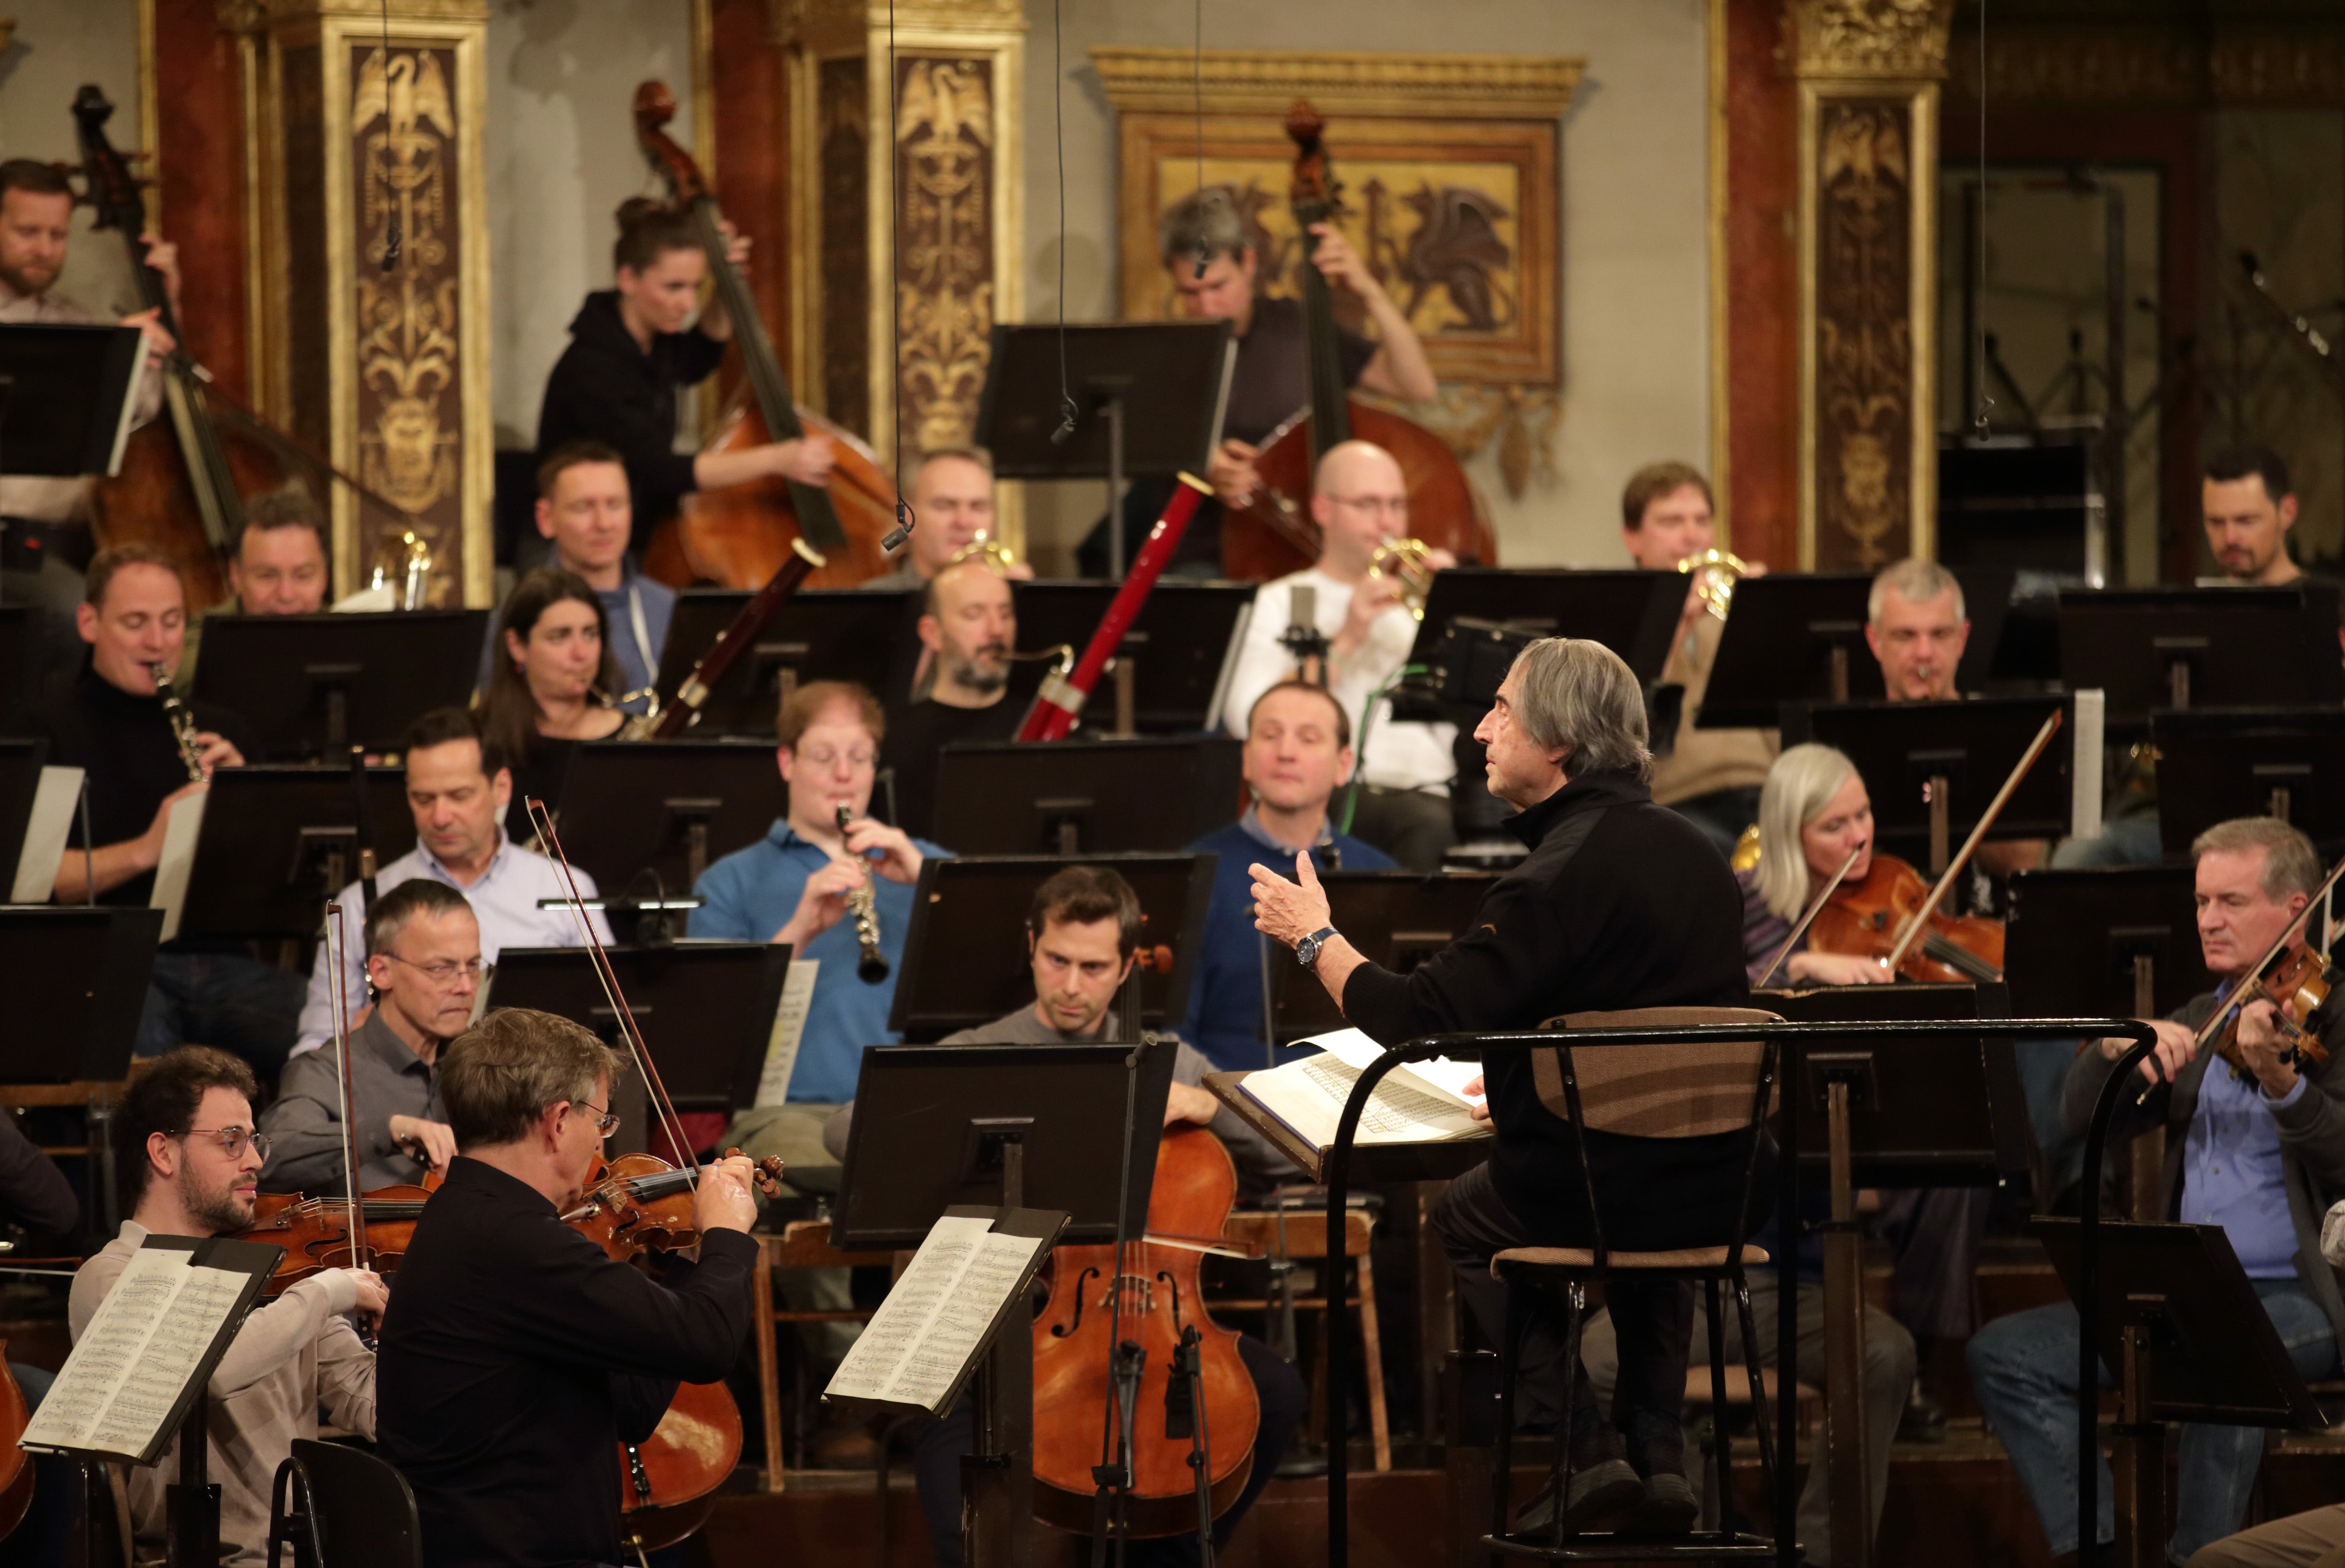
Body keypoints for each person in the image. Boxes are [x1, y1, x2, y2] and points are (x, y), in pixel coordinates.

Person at [1249, 637, 1752, 1535]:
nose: (1481, 728)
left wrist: (1313, 936)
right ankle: (1661, 1458)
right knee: (1652, 1188)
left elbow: (1420, 1016)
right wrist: (1534, 1082)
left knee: (1464, 1218)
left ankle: (1585, 1448)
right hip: (1714, 1184)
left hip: (1593, 1184)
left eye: (1502, 709)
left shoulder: (1557, 873)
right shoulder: (1703, 858)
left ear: (1557, 741)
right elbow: (1658, 1038)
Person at [818, 865, 1300, 1567]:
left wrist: (1215, 1104)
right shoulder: (982, 1051)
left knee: (1277, 1394)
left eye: (1095, 967)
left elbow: (1289, 1151)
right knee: (960, 1510)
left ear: (1129, 964)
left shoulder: (1167, 1058)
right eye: (1058, 961)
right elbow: (844, 1130)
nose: (1073, 985)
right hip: (994, 1337)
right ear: (1031, 948)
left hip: (1148, 1321)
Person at [1968, 817, 2345, 1564]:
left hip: (2303, 1298)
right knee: (2003, 1353)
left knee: (2222, 1350)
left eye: (2231, 902)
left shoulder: (2332, 1015)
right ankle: (2098, 1549)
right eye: (2203, 902)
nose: (2208, 920)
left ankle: (2200, 1555)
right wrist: (2113, 1050)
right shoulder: (2204, 1018)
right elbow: (2076, 1121)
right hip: (2191, 1292)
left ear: (2297, 909)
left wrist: (2282, 1083)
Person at [377, 1007, 762, 1568]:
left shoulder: (466, 1215)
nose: (604, 1143)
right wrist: (728, 1233)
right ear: (558, 1121)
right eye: (603, 1123)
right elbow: (707, 1343)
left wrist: (692, 1249)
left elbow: (634, 1404)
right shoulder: (518, 1244)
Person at [75, 1048, 380, 1567]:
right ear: (164, 1153)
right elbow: (201, 1374)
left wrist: (423, 1331)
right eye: (231, 1141)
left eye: (254, 1141)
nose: (257, 1161)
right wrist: (326, 1292)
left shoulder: (283, 1276)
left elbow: (374, 1407)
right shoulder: (111, 1276)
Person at [33, 543, 303, 1072]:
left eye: (172, 621)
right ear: (89, 622)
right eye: (136, 622)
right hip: (109, 963)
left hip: (224, 966)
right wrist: (151, 847)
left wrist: (246, 802)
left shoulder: (225, 731)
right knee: (159, 1076)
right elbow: (38, 883)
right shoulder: (49, 729)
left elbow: (281, 890)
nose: (157, 642)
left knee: (328, 1030)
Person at [690, 680, 940, 1197]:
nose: (844, 774)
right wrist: (799, 928)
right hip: (786, 1113)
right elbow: (710, 1028)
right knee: (829, 1192)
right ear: (787, 762)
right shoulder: (728, 881)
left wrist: (931, 886)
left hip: (908, 1109)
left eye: (860, 757)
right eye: (824, 756)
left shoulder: (923, 865)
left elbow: (1014, 971)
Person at [1105, 188, 1436, 576]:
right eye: (1190, 293)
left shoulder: (1298, 330)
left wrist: (1368, 289)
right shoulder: (1166, 354)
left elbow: (1416, 386)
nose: (1207, 307)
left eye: (1217, 287)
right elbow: (1132, 441)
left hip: (1299, 543)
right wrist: (1202, 460)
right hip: (1203, 550)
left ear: (1247, 262)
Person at [296, 707, 606, 1056]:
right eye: (423, 799)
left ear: (501, 787)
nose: (440, 817)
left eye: (459, 796)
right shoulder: (359, 903)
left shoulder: (564, 885)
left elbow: (608, 1023)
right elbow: (316, 1046)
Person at [535, 197, 833, 555]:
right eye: (674, 287)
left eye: (696, 286)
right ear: (628, 279)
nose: (688, 303)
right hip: (569, 542)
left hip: (631, 527)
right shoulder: (592, 367)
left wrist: (727, 287)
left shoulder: (654, 339)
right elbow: (659, 471)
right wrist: (777, 460)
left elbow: (699, 356)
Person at [1217, 440, 1457, 870]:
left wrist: (1456, 612)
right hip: (1341, 792)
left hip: (1436, 787)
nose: (1387, 521)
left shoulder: (1422, 601)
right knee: (1426, 827)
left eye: (1397, 505)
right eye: (1367, 504)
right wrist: (1347, 637)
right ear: (1323, 510)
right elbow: (1244, 716)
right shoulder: (1278, 601)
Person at [0, 158, 174, 699]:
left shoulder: (77, 322)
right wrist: (101, 358)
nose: (45, 248)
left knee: (142, 620)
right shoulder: (79, 342)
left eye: (57, 234)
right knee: (67, 611)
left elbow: (140, 415)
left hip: (73, 540)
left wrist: (169, 303)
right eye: (27, 232)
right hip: (8, 540)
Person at [1183, 679, 1395, 1071]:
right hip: (1227, 1100)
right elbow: (1171, 1034)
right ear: (1246, 758)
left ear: (1344, 764)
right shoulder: (1193, 872)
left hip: (1352, 1102)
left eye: (1308, 739)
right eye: (1270, 735)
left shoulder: (1383, 875)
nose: (1285, 753)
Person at [262, 881, 473, 1193]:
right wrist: (384, 1133)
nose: (466, 987)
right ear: (382, 972)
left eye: (473, 966)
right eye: (441, 968)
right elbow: (271, 1161)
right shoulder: (326, 1070)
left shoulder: (481, 1067)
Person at [1624, 462, 1776, 862]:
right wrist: (1674, 624)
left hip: (1767, 792)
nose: (1692, 535)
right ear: (1632, 539)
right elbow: (1623, 735)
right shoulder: (1621, 618)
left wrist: (1769, 616)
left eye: (1702, 520)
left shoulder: (1730, 609)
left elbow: (1785, 714)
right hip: (1678, 802)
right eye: (1672, 521)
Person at [476, 441, 675, 709]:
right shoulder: (517, 618)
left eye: (615, 505)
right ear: (546, 518)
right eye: (583, 508)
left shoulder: (670, 609)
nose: (604, 524)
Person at [479, 566, 628, 841]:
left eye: (590, 634)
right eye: (560, 636)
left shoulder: (634, 739)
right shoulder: (480, 739)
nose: (581, 654)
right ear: (517, 646)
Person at [879, 555, 1023, 840]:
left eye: (1005, 614)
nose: (997, 630)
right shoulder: (892, 741)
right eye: (974, 615)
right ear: (932, 633)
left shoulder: (1042, 726)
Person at [177, 486, 333, 685]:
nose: (286, 594)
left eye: (303, 576)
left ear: (325, 577)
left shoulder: (354, 639)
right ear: (236, 577)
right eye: (267, 576)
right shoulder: (200, 643)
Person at [860, 448, 1031, 591]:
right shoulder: (870, 602)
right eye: (945, 506)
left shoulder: (1010, 595)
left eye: (978, 507)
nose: (964, 522)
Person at [2203, 444, 2309, 587]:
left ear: (2287, 512)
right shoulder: (2189, 607)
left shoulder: (2331, 606)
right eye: (2216, 522)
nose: (2230, 538)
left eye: (2246, 521)